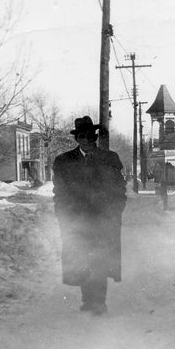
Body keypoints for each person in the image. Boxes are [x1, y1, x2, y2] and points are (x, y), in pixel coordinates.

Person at [53, 116, 127, 316]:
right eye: (81, 136)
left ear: (95, 136)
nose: (86, 139)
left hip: (103, 220)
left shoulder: (109, 158)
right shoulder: (63, 161)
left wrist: (114, 212)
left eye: (89, 135)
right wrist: (64, 216)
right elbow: (59, 193)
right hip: (77, 220)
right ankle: (88, 299)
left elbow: (120, 190)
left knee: (100, 260)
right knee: (81, 260)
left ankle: (99, 302)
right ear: (77, 139)